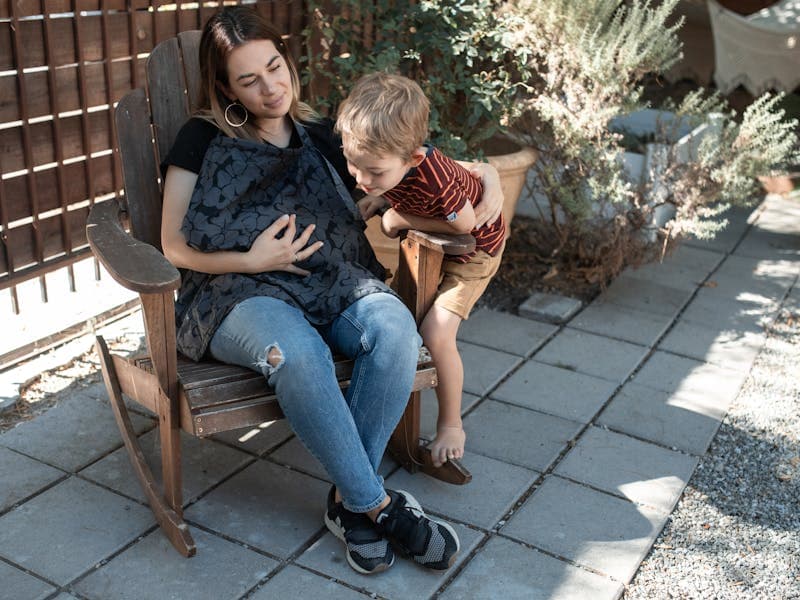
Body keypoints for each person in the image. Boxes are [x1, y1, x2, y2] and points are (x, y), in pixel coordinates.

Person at [159, 7, 503, 575]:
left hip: (330, 278)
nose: (270, 87)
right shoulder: (201, 137)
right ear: (225, 87)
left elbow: (414, 161)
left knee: (393, 330)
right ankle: (378, 505)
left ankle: (350, 503)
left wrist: (486, 174)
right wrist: (250, 258)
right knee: (298, 354)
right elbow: (171, 244)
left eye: (274, 66)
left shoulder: (322, 137)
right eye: (249, 79)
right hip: (235, 293)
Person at [336, 72, 507, 470]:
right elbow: (394, 185)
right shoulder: (391, 162)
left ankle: (451, 425)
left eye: (373, 173)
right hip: (433, 249)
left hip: (474, 254)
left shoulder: (436, 179)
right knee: (402, 315)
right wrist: (378, 199)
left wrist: (395, 216)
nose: (362, 179)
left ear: (413, 158)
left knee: (434, 332)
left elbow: (464, 224)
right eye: (353, 165)